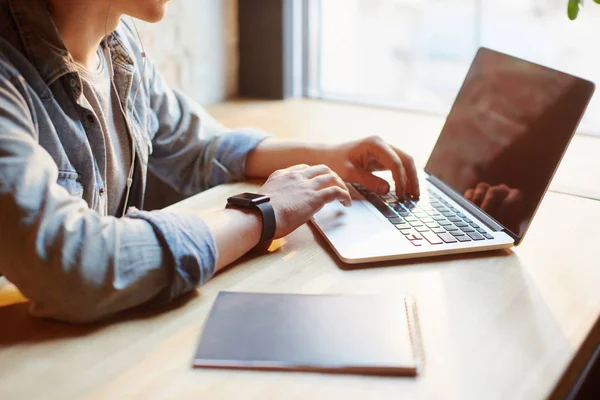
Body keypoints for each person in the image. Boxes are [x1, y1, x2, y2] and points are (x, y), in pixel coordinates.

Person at [0, 0, 419, 323]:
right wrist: (260, 214)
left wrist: (328, 157)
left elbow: (193, 146)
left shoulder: (118, 43)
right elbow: (75, 262)